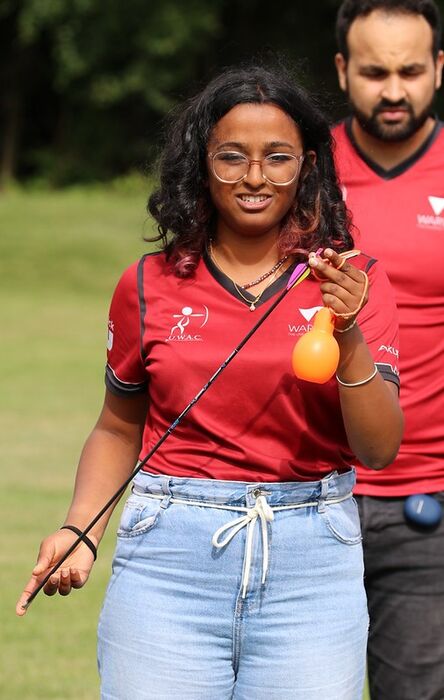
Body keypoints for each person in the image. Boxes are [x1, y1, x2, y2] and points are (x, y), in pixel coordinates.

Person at [17, 63, 403, 700]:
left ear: (307, 165)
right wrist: (80, 529)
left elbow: (379, 450)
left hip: (312, 561)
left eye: (277, 157)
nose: (255, 177)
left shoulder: (354, 282)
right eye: (232, 157)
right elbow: (118, 426)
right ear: (201, 161)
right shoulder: (147, 284)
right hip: (168, 558)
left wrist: (350, 330)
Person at [333, 2, 444, 698]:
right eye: (375, 71)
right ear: (343, 71)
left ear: (440, 68)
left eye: (410, 70)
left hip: (427, 508)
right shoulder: (294, 169)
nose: (394, 90)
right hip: (302, 497)